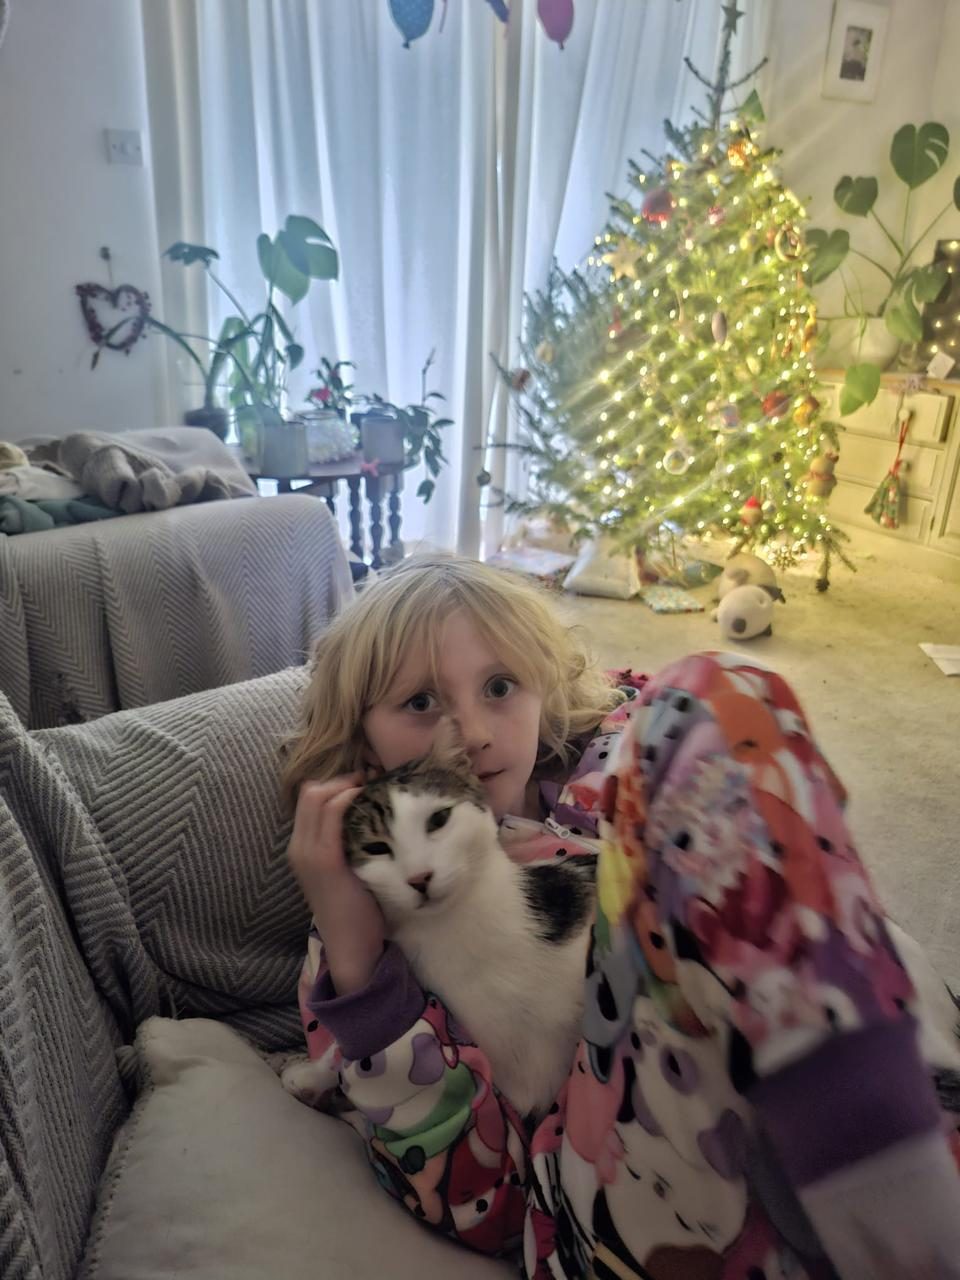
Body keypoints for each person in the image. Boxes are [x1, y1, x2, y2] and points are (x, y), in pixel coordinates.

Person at [282, 553, 960, 1279]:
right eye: (420, 703)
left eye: (501, 686)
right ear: (361, 740)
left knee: (716, 692)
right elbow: (476, 1204)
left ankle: (895, 1151)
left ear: (545, 686)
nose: (473, 731)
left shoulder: (616, 767)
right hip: (608, 1192)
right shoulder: (360, 932)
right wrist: (358, 969)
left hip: (787, 1079)